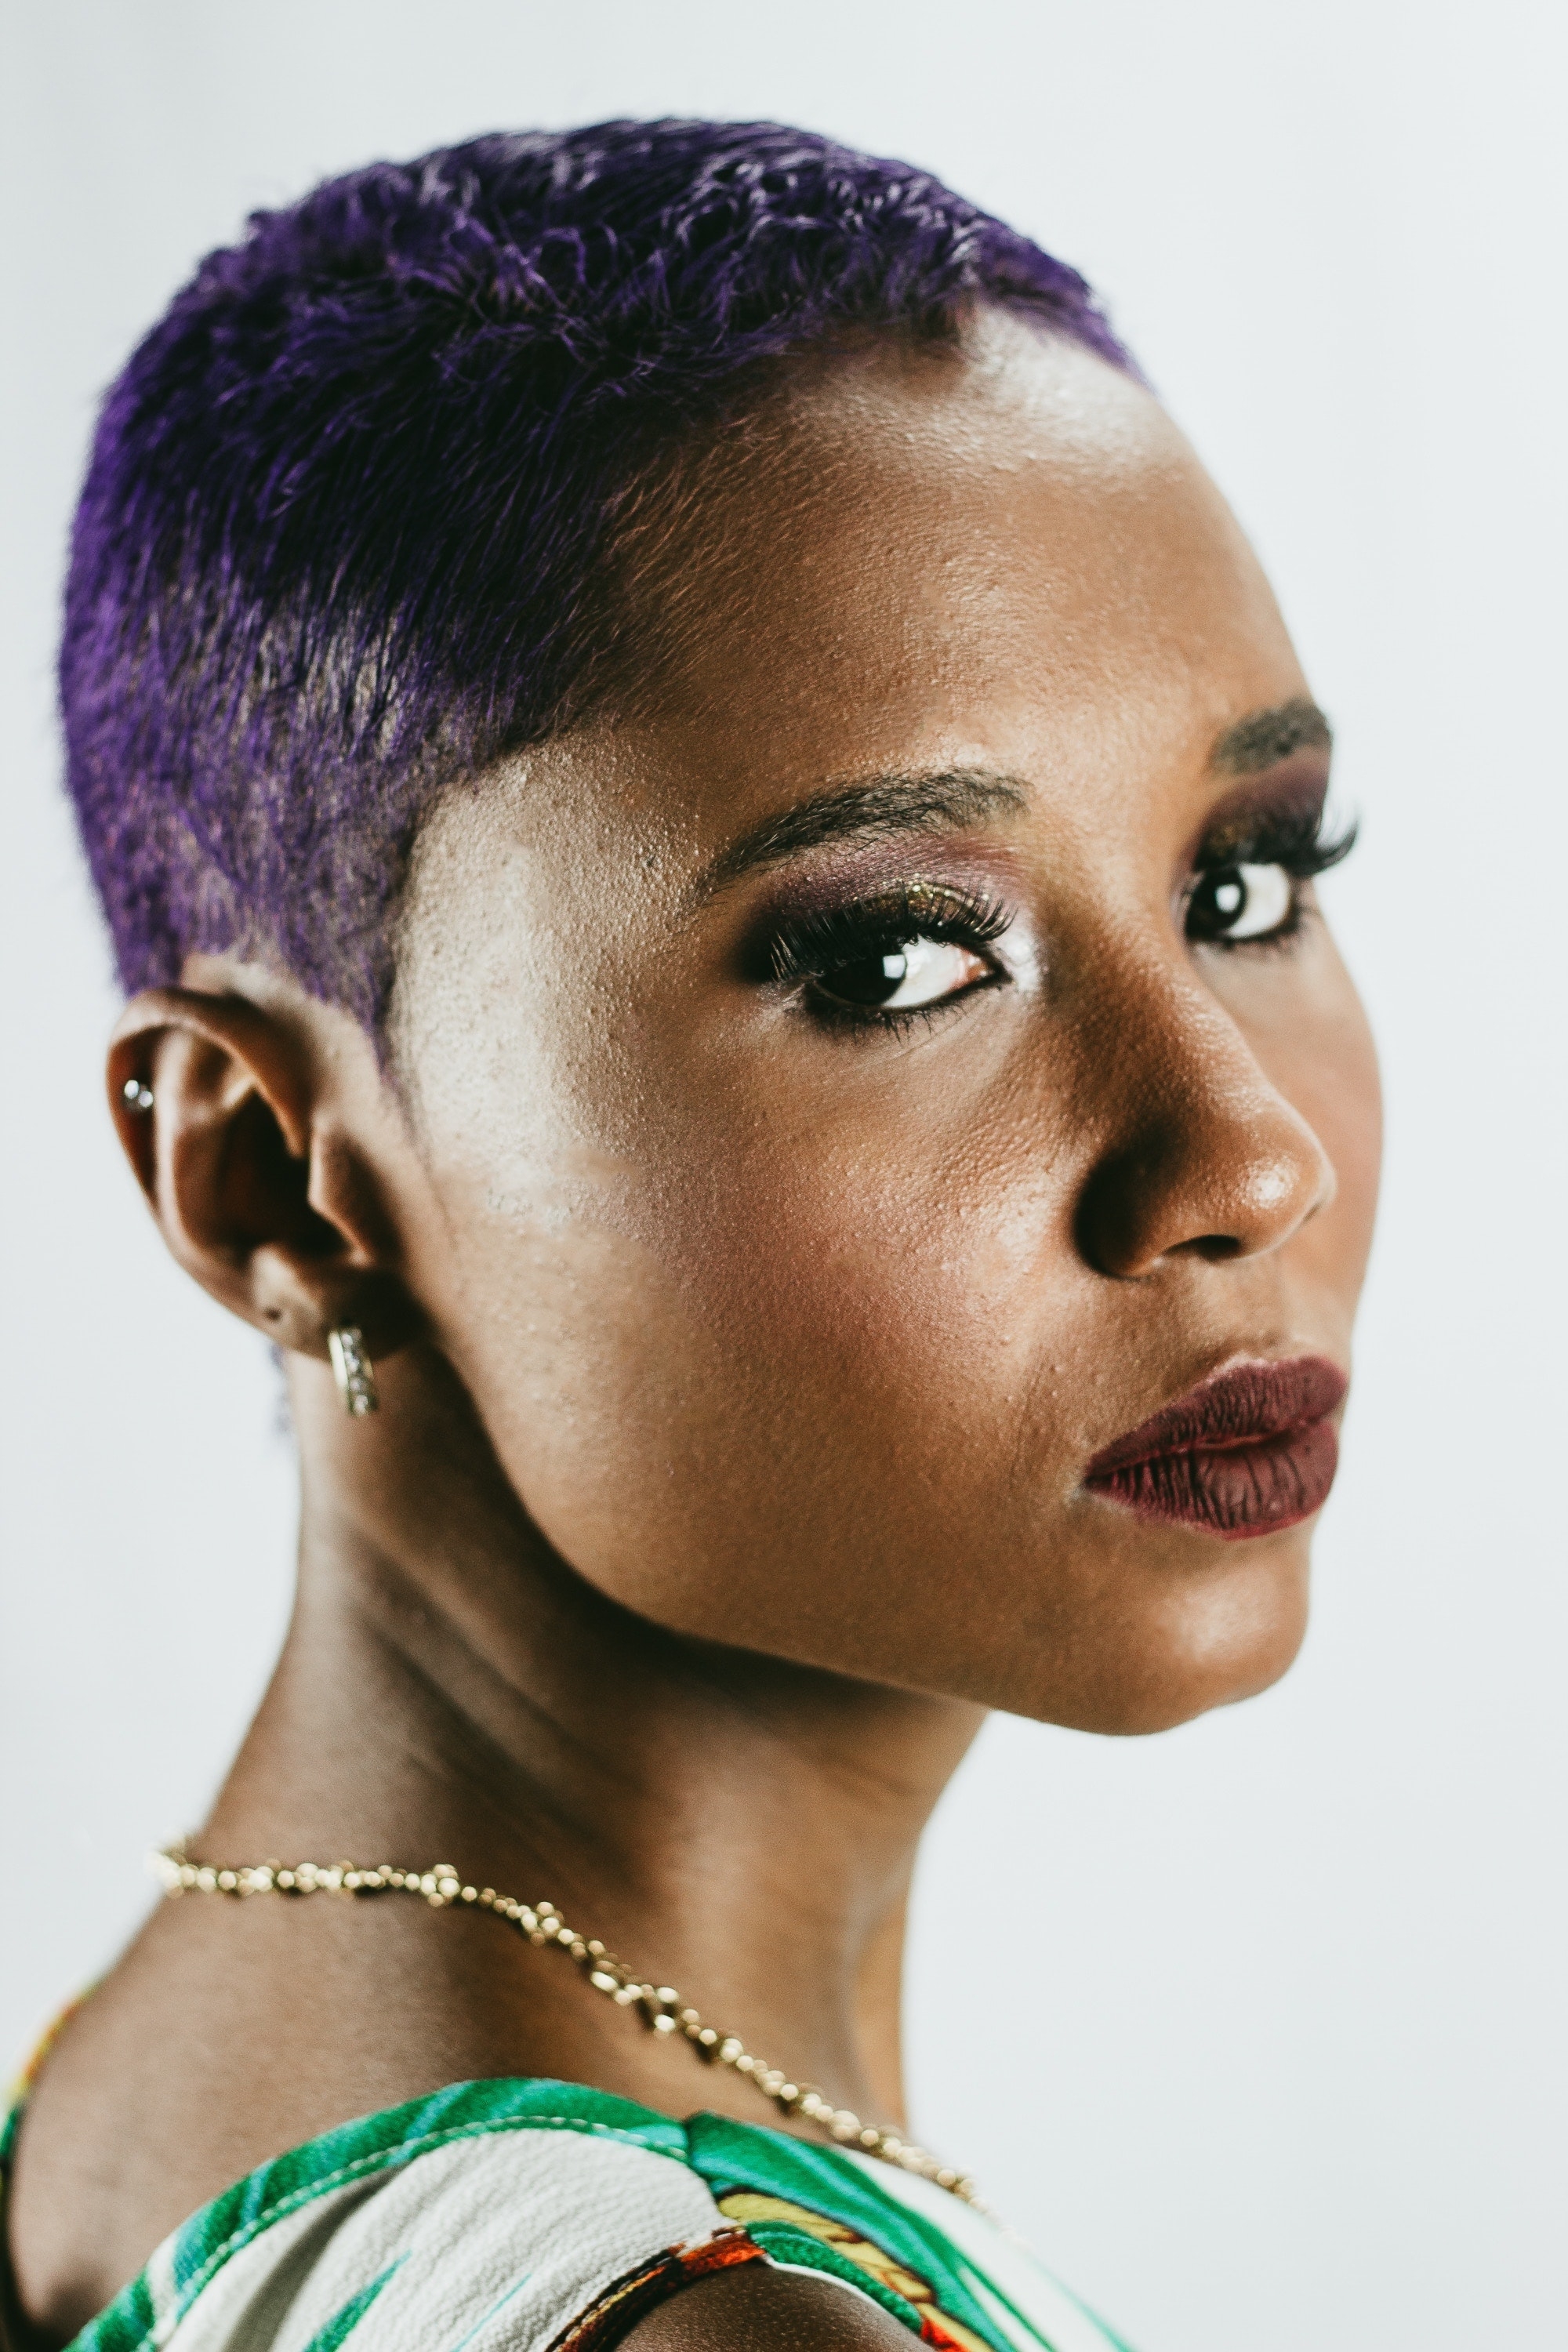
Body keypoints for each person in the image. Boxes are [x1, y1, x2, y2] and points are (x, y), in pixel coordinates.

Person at [0, 118, 1381, 2350]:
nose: (1245, 1160)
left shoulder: (139, 2101)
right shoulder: (706, 2316)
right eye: (897, 961)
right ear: (272, 1178)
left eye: (1245, 881)